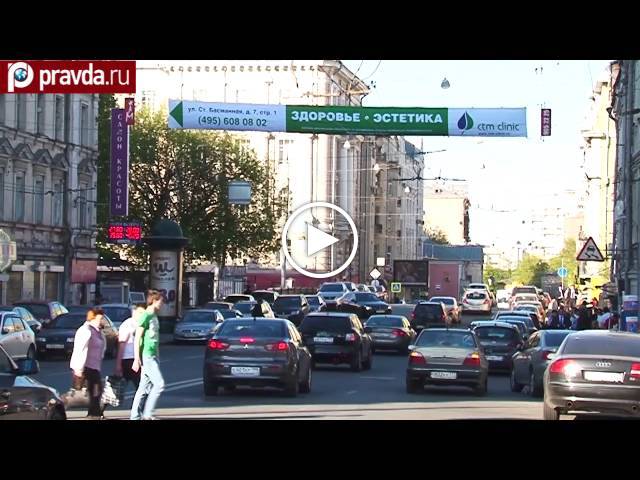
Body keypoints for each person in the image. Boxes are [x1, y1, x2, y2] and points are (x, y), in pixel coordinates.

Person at [130, 290, 164, 421]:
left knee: (143, 388)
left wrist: (157, 356)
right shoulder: (146, 316)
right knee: (159, 384)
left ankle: (135, 416)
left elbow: (155, 339)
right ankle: (148, 414)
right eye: (160, 301)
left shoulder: (154, 316)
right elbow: (137, 337)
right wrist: (136, 359)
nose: (162, 304)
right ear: (154, 301)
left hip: (153, 355)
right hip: (147, 355)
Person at [69, 307, 107, 419]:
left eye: (102, 318)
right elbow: (79, 349)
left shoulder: (98, 332)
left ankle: (94, 413)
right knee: (93, 391)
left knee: (95, 391)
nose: (102, 321)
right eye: (100, 318)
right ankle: (95, 414)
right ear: (93, 319)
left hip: (95, 366)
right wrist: (78, 369)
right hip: (85, 366)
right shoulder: (85, 331)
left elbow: (102, 348)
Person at [115, 304, 146, 395]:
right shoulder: (127, 325)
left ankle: (139, 403)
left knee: (139, 387)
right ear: (134, 312)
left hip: (136, 359)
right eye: (140, 313)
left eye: (143, 313)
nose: (141, 315)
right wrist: (118, 364)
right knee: (140, 387)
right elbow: (121, 344)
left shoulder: (140, 324)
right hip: (128, 359)